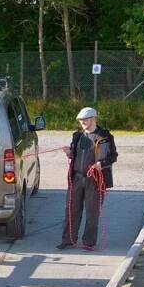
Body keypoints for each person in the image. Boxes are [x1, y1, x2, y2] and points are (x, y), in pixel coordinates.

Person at [58, 107, 118, 251]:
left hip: (95, 180)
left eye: (85, 119)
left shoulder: (105, 136)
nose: (82, 122)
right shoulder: (77, 136)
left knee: (92, 212)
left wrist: (100, 164)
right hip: (77, 178)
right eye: (80, 120)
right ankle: (68, 240)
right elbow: (74, 154)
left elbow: (113, 156)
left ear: (93, 119)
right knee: (72, 210)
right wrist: (69, 153)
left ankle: (89, 243)